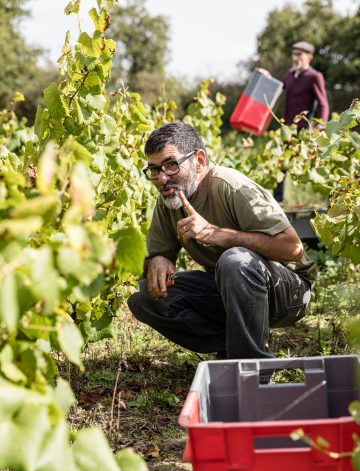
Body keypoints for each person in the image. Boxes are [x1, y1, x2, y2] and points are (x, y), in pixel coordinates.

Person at [127, 122, 315, 360]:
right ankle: (236, 341)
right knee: (142, 297)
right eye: (154, 169)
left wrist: (216, 234)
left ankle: (251, 366)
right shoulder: (170, 198)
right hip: (230, 287)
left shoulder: (231, 187)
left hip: (289, 290)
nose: (162, 178)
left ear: (200, 160)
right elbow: (158, 252)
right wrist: (158, 259)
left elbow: (293, 248)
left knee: (234, 261)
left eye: (171, 165)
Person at [259, 41, 330, 201]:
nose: (295, 58)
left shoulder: (314, 77)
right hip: (287, 130)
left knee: (311, 168)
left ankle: (324, 201)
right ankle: (278, 202)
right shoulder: (290, 75)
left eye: (299, 55)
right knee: (281, 164)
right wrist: (267, 77)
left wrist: (322, 126)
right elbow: (278, 88)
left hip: (304, 130)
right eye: (294, 54)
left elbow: (323, 104)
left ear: (309, 58)